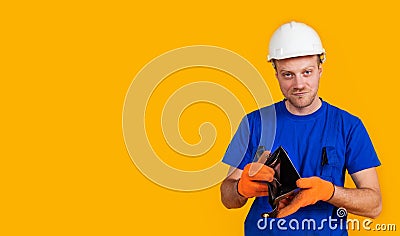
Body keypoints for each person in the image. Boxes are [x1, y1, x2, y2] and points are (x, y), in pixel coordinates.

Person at [220, 21, 382, 235]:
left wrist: (329, 192)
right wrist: (240, 188)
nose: (298, 84)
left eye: (307, 72)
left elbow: (374, 205)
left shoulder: (348, 126)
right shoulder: (254, 123)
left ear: (320, 70)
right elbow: (227, 198)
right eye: (288, 74)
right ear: (276, 73)